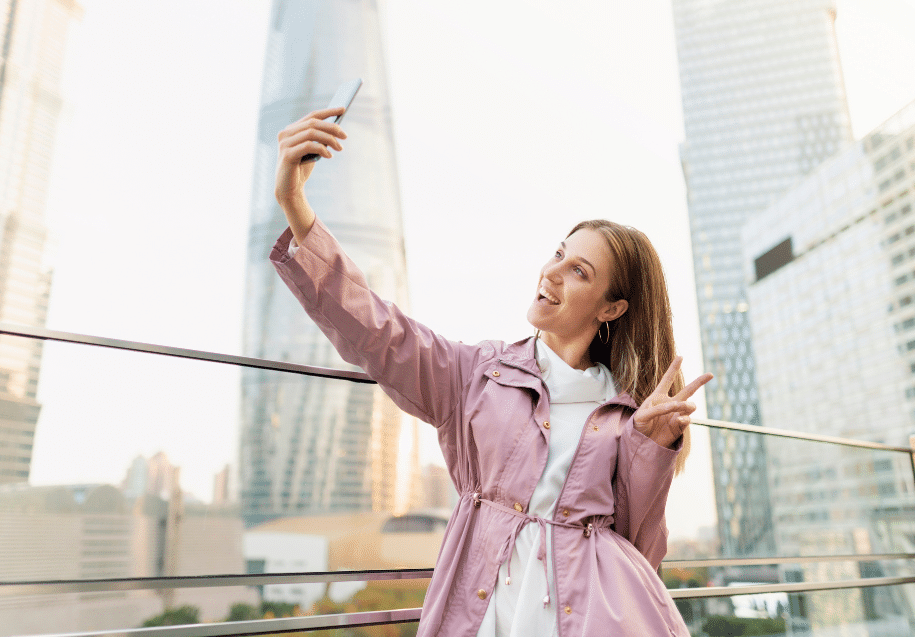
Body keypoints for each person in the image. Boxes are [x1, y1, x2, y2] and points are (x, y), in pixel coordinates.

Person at [269, 106, 713, 637]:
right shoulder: (478, 375)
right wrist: (295, 204)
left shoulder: (627, 416)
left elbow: (641, 552)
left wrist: (651, 448)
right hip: (487, 614)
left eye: (578, 270)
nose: (551, 272)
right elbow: (379, 331)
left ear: (611, 308)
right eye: (558, 253)